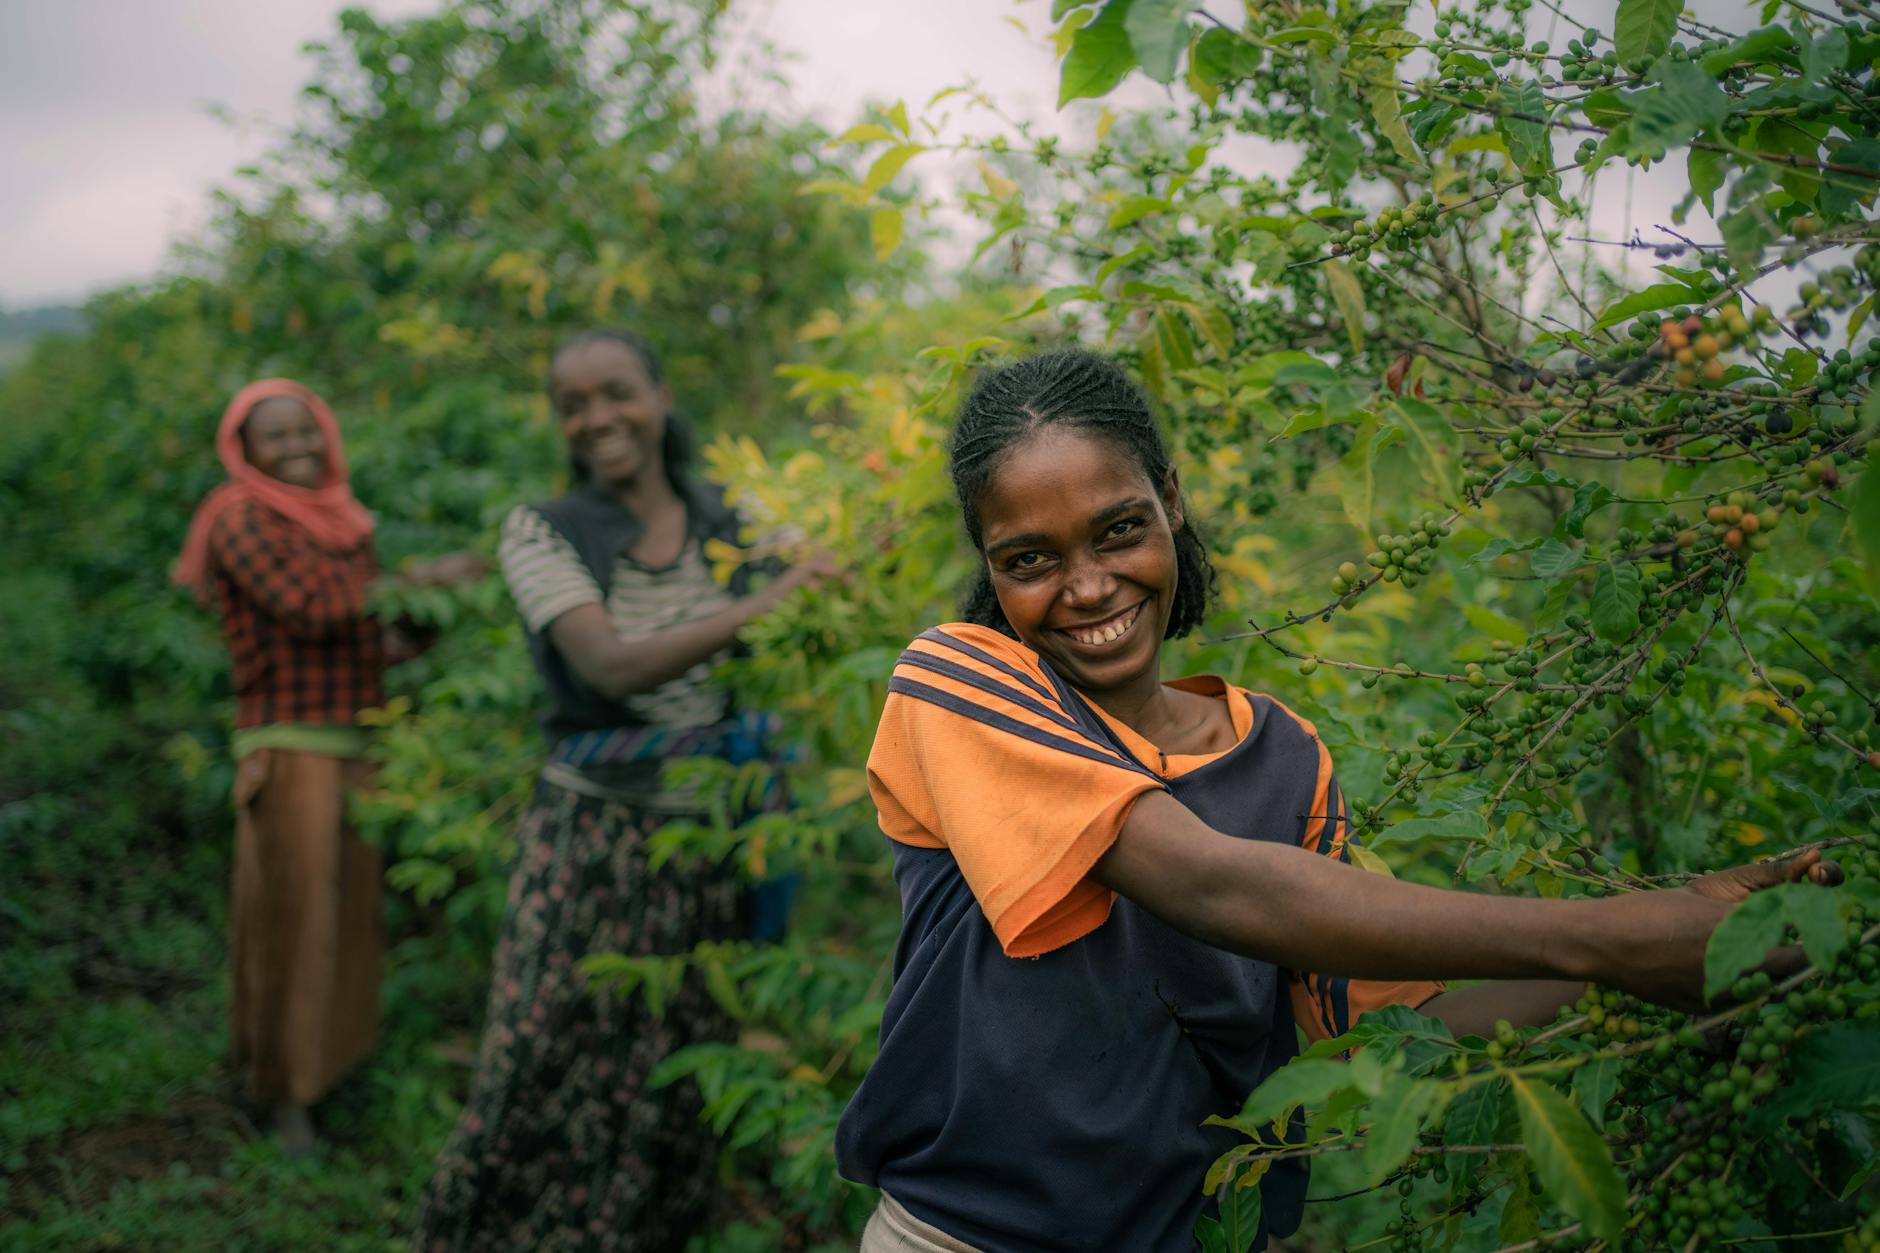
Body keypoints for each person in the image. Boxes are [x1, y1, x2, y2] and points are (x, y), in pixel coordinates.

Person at [833, 349, 1840, 1253]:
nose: (1088, 586)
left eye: (1120, 530)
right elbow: (1215, 885)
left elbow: (1404, 1022)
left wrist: (1673, 933)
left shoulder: (1283, 758)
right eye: (1029, 558)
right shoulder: (956, 686)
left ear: (1171, 501)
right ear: (988, 565)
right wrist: (1613, 936)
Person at [415, 329, 833, 1252]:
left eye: (616, 393)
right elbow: (608, 665)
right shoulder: (542, 529)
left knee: (675, 1066)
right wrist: (771, 599)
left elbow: (832, 579)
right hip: (591, 840)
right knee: (543, 1055)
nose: (598, 417)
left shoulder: (734, 517)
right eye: (574, 405)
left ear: (660, 395)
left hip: (709, 839)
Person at [173, 378, 480, 1157]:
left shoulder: (346, 520)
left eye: (305, 430)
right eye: (275, 435)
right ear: (244, 450)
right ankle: (283, 1092)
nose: (297, 446)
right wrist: (425, 578)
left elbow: (371, 637)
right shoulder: (239, 516)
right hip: (291, 747)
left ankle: (332, 1069)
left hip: (359, 745)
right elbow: (311, 608)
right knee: (296, 920)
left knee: (349, 919)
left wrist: (429, 618)